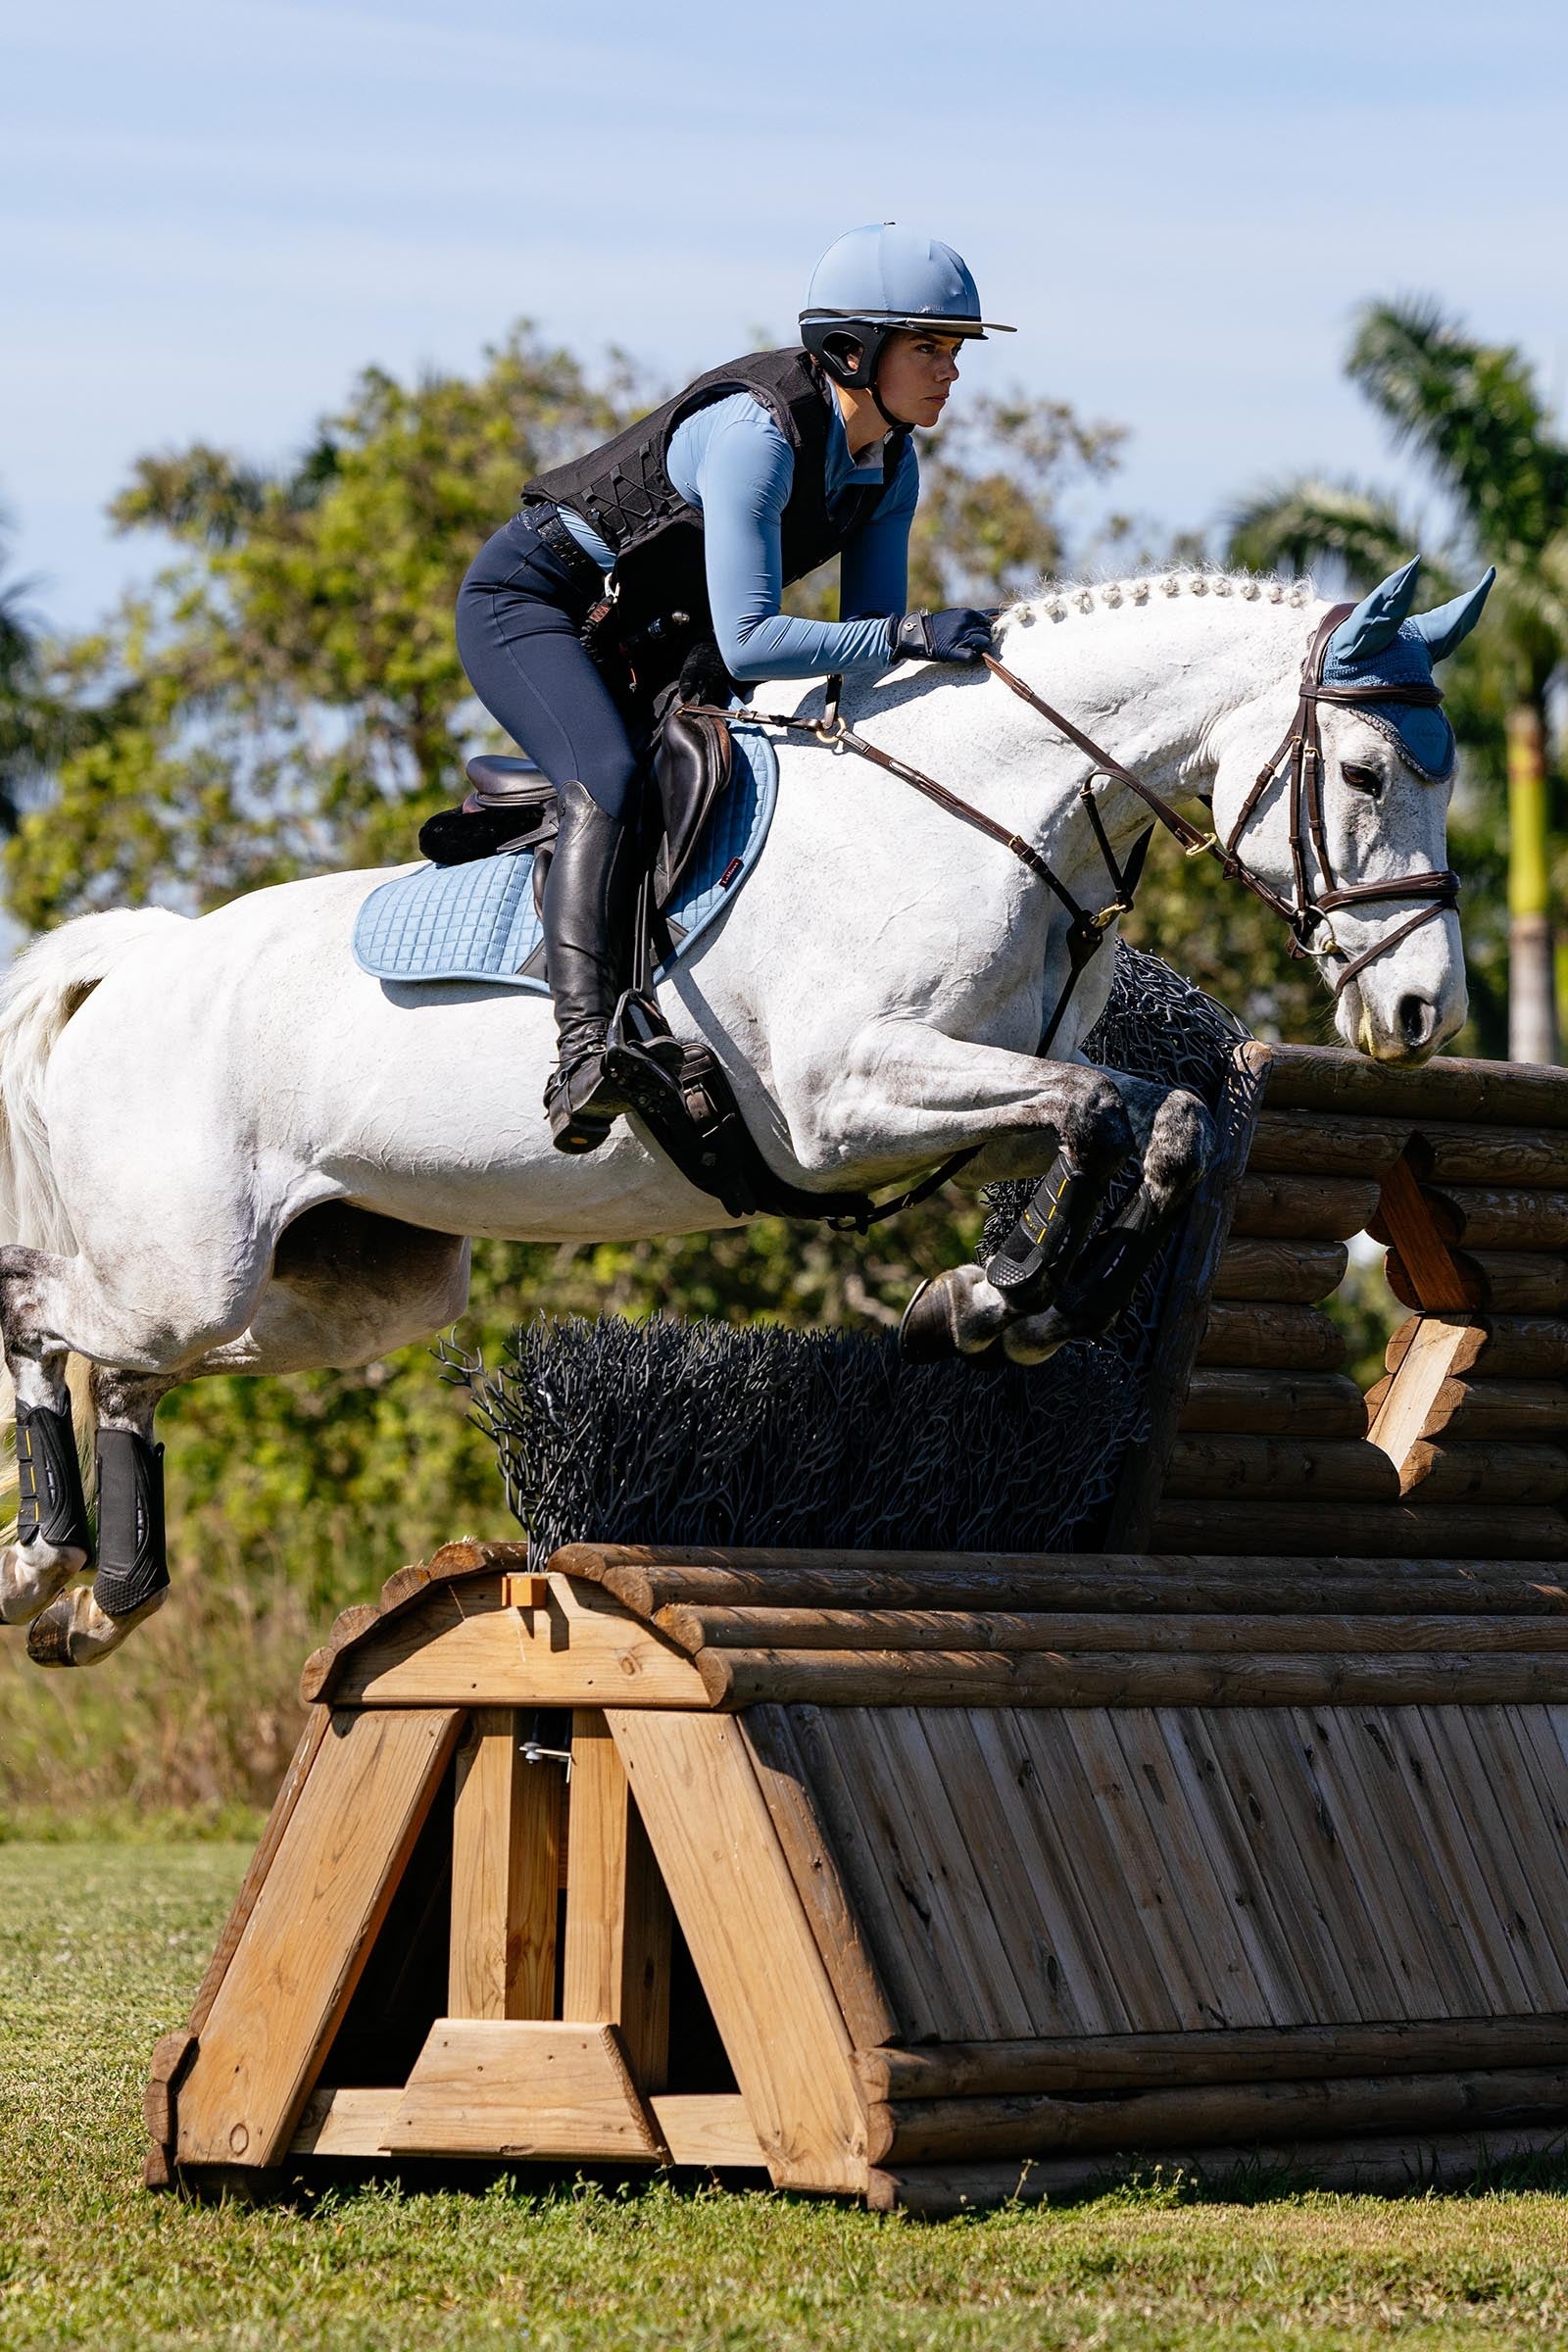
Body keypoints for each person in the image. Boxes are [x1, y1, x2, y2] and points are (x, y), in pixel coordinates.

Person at [455, 222, 1014, 1152]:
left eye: (953, 350)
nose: (950, 371)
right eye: (928, 348)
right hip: (534, 606)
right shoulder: (758, 431)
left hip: (655, 636)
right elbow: (757, 643)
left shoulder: (889, 465)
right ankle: (584, 1052)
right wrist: (916, 634)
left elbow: (860, 657)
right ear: (852, 350)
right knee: (613, 777)